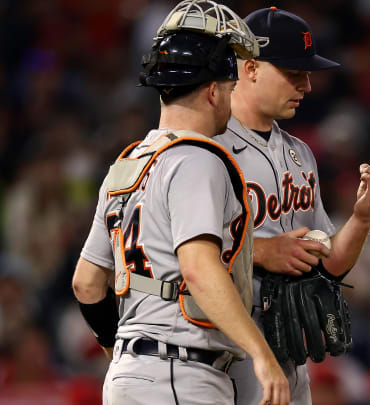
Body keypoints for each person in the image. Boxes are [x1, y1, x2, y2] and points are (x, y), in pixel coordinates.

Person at [71, 1, 289, 404]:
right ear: (211, 91)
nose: (230, 98)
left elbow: (86, 283)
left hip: (126, 376)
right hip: (182, 373)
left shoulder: (126, 164)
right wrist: (262, 355)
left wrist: (119, 356)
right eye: (228, 88)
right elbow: (198, 267)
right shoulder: (199, 160)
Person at [213, 7, 370, 405]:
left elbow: (329, 264)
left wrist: (364, 216)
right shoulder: (206, 147)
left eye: (307, 73)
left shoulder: (300, 154)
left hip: (288, 348)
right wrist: (261, 251)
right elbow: (180, 253)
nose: (307, 85)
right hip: (223, 348)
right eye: (293, 73)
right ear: (249, 68)